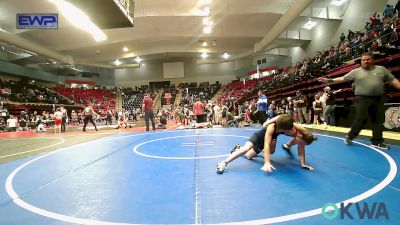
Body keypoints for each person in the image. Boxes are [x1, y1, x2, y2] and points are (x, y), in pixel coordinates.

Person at [318, 52, 400, 149]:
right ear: (361, 61)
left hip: (379, 98)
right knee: (360, 119)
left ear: (372, 60)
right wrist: (329, 80)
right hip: (362, 99)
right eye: (363, 60)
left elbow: (393, 80)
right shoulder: (356, 71)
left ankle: (377, 141)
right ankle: (350, 136)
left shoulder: (381, 69)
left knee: (378, 120)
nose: (365, 61)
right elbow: (342, 78)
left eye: (368, 59)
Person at [216, 114, 317, 174]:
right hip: (260, 136)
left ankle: (237, 150)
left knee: (249, 156)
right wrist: (267, 162)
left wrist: (303, 163)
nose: (291, 131)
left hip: (272, 137)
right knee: (246, 149)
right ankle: (223, 163)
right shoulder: (271, 127)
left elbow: (301, 146)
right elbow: (267, 144)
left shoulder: (294, 127)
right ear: (282, 129)